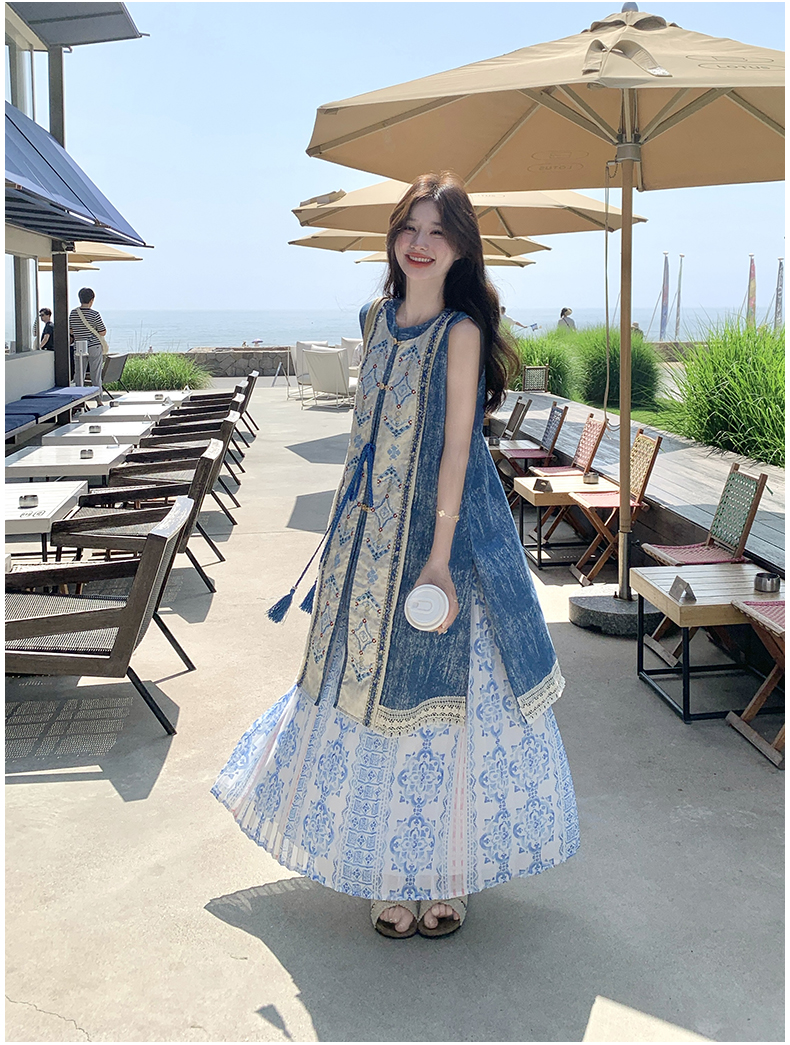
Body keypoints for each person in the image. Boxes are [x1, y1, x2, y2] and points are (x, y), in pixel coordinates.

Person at [213, 173, 579, 939]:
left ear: (462, 249)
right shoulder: (374, 317)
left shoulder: (460, 332)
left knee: (440, 708)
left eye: (438, 232)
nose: (419, 243)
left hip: (449, 541)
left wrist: (439, 558)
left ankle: (445, 875)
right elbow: (365, 434)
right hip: (367, 539)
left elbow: (457, 450)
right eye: (410, 227)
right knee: (366, 699)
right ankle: (388, 872)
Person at [69, 288, 107, 391]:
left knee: (79, 374)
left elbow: (71, 330)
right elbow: (103, 332)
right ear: (92, 300)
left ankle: (78, 396)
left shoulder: (73, 313)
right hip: (94, 346)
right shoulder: (95, 314)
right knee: (96, 374)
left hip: (79, 346)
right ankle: (98, 397)